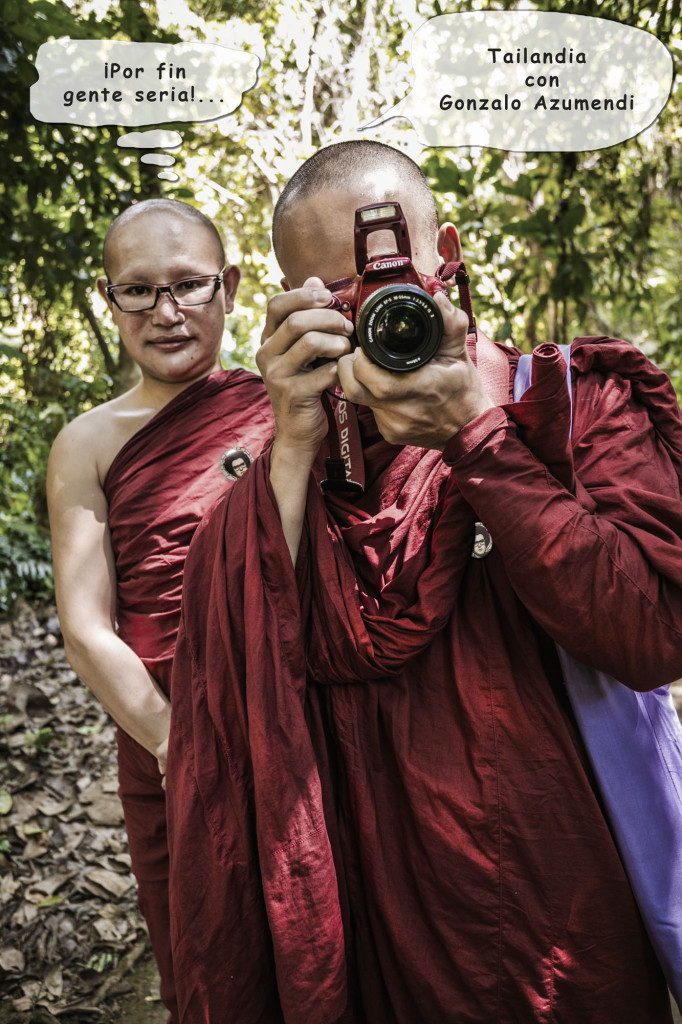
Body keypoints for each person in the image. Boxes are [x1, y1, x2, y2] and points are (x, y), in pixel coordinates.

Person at [165, 142, 682, 1023]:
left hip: (566, 897)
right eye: (336, 301)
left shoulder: (569, 403)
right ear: (292, 307)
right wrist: (291, 443)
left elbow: (650, 638)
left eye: (386, 282)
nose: (376, 318)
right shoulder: (300, 467)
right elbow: (252, 650)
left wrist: (480, 439)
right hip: (379, 891)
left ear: (446, 252)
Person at [46, 198, 274, 1024]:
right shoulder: (89, 442)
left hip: (292, 721)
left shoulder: (286, 404)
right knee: (205, 961)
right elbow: (85, 624)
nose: (165, 312)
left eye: (187, 285)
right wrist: (177, 742)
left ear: (231, 288)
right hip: (166, 738)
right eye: (137, 291)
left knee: (317, 934)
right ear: (110, 301)